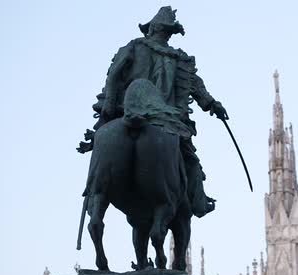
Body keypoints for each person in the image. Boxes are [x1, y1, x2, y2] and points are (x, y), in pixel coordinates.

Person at [78, 6, 228, 217]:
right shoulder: (179, 59)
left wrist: (108, 109)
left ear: (152, 29)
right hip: (166, 119)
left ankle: (95, 198)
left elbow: (113, 76)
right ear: (167, 32)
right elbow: (197, 89)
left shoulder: (134, 47)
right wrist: (213, 105)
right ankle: (199, 202)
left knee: (102, 144)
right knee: (190, 160)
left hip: (126, 110)